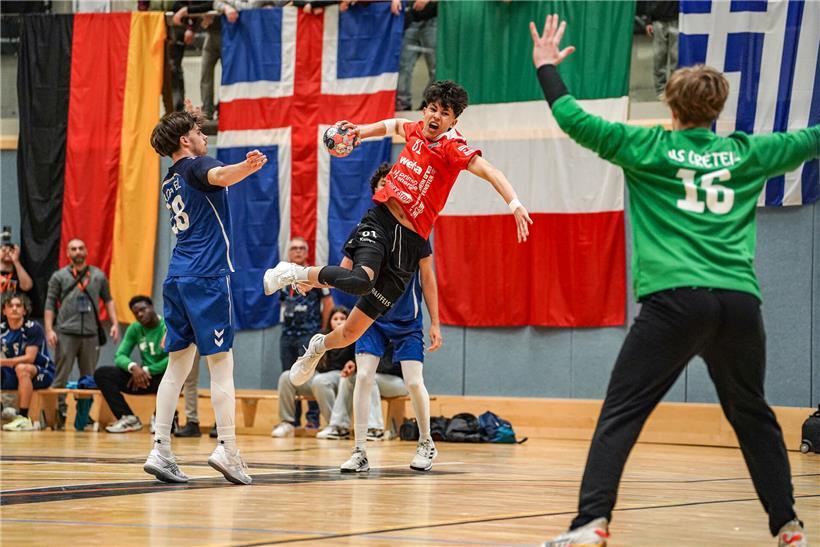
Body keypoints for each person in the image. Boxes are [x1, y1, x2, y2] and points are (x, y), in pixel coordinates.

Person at [529, 15, 817, 547]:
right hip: (738, 303)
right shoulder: (748, 154)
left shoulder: (648, 148)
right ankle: (789, 526)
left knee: (622, 412)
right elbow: (813, 138)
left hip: (675, 301)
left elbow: (571, 118)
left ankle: (592, 522)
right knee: (753, 415)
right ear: (717, 108)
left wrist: (547, 67)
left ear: (671, 104)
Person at [264, 80, 532, 401]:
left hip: (411, 242)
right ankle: (292, 272)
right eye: (432, 109)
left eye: (444, 113)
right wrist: (360, 133)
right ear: (425, 109)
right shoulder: (416, 129)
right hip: (382, 220)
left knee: (351, 331)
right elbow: (392, 124)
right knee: (359, 280)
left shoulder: (453, 147)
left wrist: (514, 203)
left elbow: (489, 170)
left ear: (453, 121)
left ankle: (318, 347)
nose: (435, 116)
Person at [143, 105, 267, 485]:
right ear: (185, 141)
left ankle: (160, 448)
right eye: (199, 130)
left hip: (177, 276)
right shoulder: (198, 165)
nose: (205, 135)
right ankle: (228, 449)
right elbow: (218, 173)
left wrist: (185, 114)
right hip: (207, 277)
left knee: (177, 367)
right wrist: (247, 167)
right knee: (221, 365)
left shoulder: (170, 179)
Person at [336, 163, 442, 473]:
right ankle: (359, 451)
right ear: (376, 193)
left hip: (406, 319)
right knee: (364, 377)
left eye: (393, 184)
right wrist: (314, 279)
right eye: (384, 184)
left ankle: (426, 442)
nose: (390, 189)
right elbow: (344, 270)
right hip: (372, 317)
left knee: (413, 381)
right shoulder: (365, 230)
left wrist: (434, 321)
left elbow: (428, 277)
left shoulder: (415, 229)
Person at [44, 238, 120, 425]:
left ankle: (84, 414)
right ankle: (59, 412)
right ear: (68, 254)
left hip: (90, 333)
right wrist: (49, 329)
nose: (77, 252)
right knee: (60, 375)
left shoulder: (98, 275)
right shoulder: (59, 276)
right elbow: (50, 303)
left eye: (80, 248)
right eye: (73, 249)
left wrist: (115, 323)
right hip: (65, 332)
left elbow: (108, 300)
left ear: (86, 251)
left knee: (88, 378)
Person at [272, 306, 351, 437]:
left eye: (343, 319)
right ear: (329, 321)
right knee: (286, 377)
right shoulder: (322, 337)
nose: (338, 321)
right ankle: (287, 423)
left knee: (321, 380)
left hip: (342, 377)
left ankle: (336, 426)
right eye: (335, 318)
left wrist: (352, 363)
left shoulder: (353, 338)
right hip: (319, 378)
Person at [278, 237, 332, 428]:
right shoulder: (283, 276)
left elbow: (328, 303)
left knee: (309, 374)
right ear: (289, 253)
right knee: (289, 375)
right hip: (288, 334)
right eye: (294, 248)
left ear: (306, 252)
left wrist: (323, 329)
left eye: (302, 248)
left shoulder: (313, 275)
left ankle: (313, 419)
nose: (298, 251)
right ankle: (293, 420)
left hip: (309, 332)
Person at [94, 296, 169, 434]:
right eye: (136, 313)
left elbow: (172, 359)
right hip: (139, 380)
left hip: (159, 378)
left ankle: (160, 419)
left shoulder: (167, 326)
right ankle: (128, 418)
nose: (139, 314)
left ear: (152, 307)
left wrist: (147, 370)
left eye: (142, 309)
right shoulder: (135, 328)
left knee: (175, 375)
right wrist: (133, 367)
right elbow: (120, 356)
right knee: (102, 373)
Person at [0, 293, 55, 431]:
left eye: (18, 306)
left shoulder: (33, 328)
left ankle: (24, 418)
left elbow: (30, 358)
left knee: (22, 368)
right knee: (18, 368)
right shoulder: (2, 329)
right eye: (10, 306)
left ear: (24, 310)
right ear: (4, 311)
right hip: (13, 372)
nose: (14, 308)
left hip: (41, 371)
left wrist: (3, 362)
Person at [393, 0, 437, 112]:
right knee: (404, 66)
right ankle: (403, 103)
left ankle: (429, 102)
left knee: (436, 68)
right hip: (410, 20)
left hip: (434, 20)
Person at [644, 1, 679, 95]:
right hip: (658, 20)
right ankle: (660, 90)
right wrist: (648, 21)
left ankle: (674, 89)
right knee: (659, 57)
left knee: (676, 57)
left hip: (677, 18)